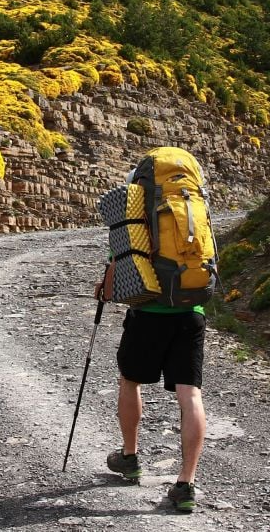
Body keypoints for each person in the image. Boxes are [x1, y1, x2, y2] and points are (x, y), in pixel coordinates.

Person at [95, 166, 208, 514]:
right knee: (190, 395)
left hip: (148, 313)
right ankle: (185, 483)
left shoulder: (137, 215)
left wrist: (105, 289)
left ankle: (130, 457)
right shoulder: (196, 206)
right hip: (192, 311)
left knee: (130, 381)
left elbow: (118, 273)